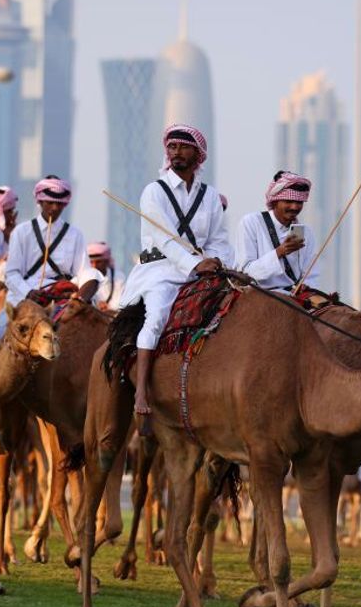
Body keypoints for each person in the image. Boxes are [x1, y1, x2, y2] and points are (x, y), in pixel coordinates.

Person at [117, 124, 234, 430]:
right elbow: (165, 239)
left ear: (198, 154)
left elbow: (220, 238)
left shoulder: (210, 196)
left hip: (203, 270)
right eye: (172, 148)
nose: (176, 153)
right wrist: (196, 265)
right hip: (161, 270)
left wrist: (217, 260)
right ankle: (141, 392)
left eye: (183, 147)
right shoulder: (154, 191)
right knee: (156, 317)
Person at [5, 176, 99, 307]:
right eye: (50, 202)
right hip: (28, 294)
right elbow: (11, 273)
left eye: (59, 204)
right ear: (40, 202)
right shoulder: (21, 232)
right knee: (1, 325)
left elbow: (83, 270)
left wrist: (85, 289)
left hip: (63, 295)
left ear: (64, 205)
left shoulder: (75, 234)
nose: (55, 208)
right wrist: (28, 292)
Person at [235, 170, 321, 292]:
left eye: (299, 202)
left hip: (294, 299)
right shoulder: (251, 222)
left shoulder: (306, 232)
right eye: (289, 201)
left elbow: (311, 275)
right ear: (275, 201)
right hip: (257, 296)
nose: (295, 207)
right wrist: (280, 252)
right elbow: (245, 273)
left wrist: (306, 287)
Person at [86, 242, 124, 311]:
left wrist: (109, 307)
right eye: (91, 262)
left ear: (106, 261)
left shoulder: (118, 277)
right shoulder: (84, 276)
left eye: (98, 262)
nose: (94, 266)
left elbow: (121, 302)